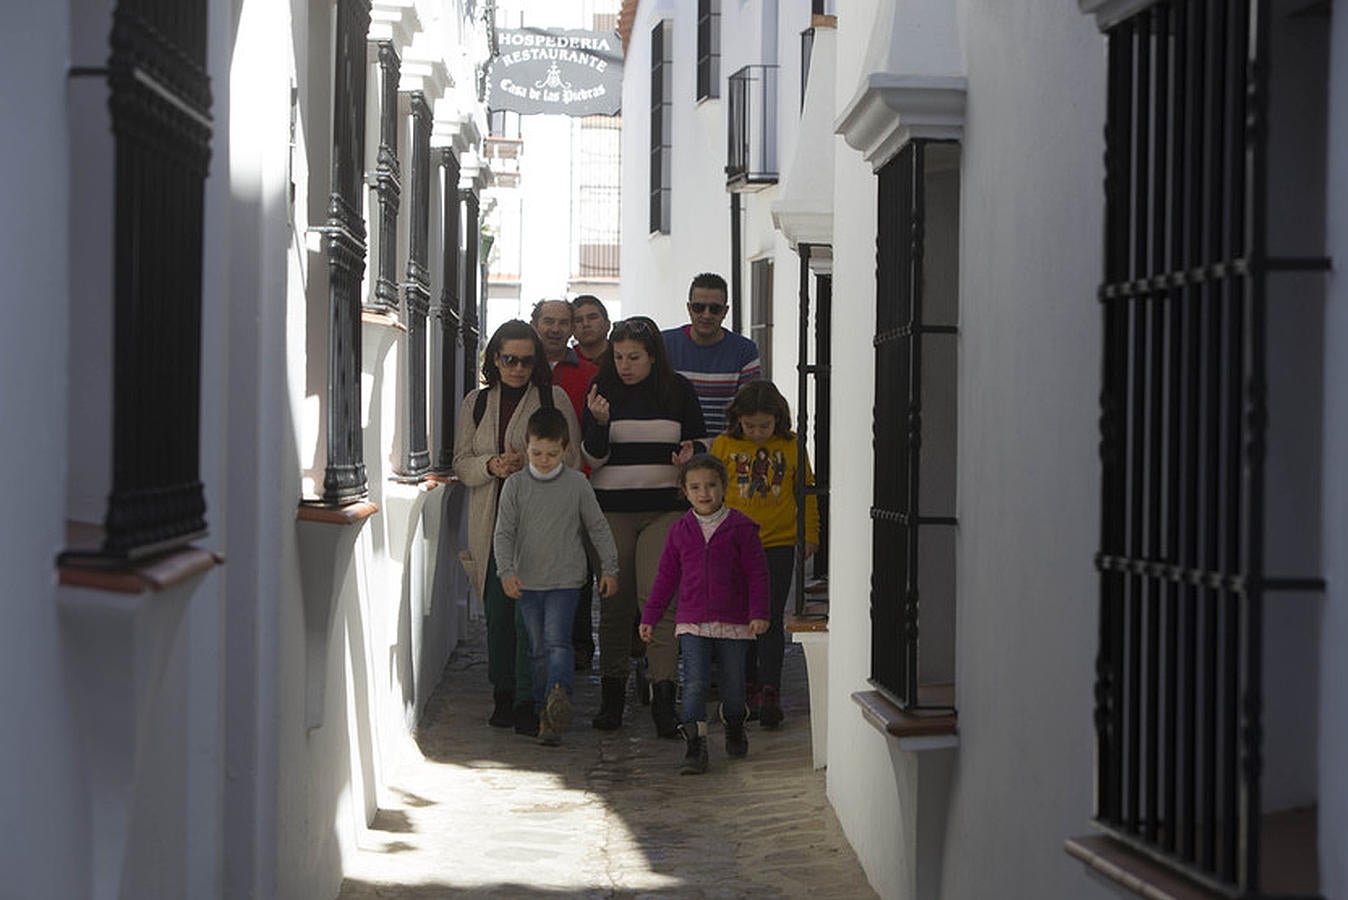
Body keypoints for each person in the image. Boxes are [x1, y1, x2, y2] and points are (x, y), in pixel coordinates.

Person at [454, 320, 581, 735]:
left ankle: (530, 698)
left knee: (533, 617)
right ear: (495, 358)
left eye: (527, 360)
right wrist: (491, 465)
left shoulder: (553, 398)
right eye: (510, 359)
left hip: (539, 526)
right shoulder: (477, 402)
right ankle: (503, 694)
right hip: (491, 523)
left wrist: (531, 467)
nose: (518, 368)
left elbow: (573, 461)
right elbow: (460, 462)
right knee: (498, 615)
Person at [583, 316, 707, 736]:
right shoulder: (601, 392)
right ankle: (612, 696)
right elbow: (592, 459)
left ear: (653, 357)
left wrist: (689, 456)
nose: (624, 365)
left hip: (664, 510)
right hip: (612, 511)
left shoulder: (679, 391)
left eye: (634, 357)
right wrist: (598, 425)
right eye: (618, 357)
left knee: (659, 601)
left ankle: (663, 699)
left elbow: (698, 445)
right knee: (614, 604)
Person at [494, 407, 619, 746]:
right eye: (537, 453)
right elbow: (503, 533)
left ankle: (558, 693)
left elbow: (598, 528)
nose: (544, 459)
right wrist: (505, 571)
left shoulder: (577, 484)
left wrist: (609, 567)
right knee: (535, 649)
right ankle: (543, 711)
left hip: (566, 580)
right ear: (526, 446)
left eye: (552, 453)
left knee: (557, 642)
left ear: (566, 449)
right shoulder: (515, 486)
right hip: (528, 581)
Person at [640, 454, 769, 774]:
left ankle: (735, 723)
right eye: (695, 487)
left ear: (724, 487)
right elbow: (666, 577)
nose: (704, 493)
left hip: (735, 621)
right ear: (684, 491)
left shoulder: (741, 528)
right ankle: (695, 745)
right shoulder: (680, 530)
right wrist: (650, 617)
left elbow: (758, 574)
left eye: (711, 485)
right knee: (694, 683)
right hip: (693, 620)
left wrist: (759, 612)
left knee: (734, 686)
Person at [711, 381, 819, 728]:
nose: (757, 433)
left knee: (769, 615)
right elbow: (711, 493)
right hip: (733, 544)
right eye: (750, 425)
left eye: (764, 426)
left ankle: (770, 688)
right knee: (740, 616)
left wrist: (811, 534)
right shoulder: (725, 445)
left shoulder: (790, 446)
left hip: (777, 543)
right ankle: (744, 685)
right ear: (738, 419)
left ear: (778, 419)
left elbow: (805, 492)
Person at [530, 298, 600, 670]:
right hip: (527, 484)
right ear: (535, 323)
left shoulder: (589, 372)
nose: (556, 328)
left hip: (576, 482)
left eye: (563, 322)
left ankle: (578, 643)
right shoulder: (521, 365)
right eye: (548, 321)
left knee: (577, 566)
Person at [661, 273, 761, 436]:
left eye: (714, 309)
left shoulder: (745, 351)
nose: (706, 315)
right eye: (699, 307)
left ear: (725, 311)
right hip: (675, 450)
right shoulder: (664, 344)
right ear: (689, 308)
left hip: (725, 450)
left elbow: (748, 408)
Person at [570, 294, 611, 364]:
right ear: (572, 330)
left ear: (607, 324)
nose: (586, 324)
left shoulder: (622, 358)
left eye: (592, 318)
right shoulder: (566, 362)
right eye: (578, 320)